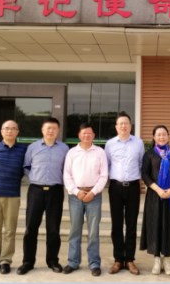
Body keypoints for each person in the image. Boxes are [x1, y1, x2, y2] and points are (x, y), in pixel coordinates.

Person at [17, 117, 69, 275]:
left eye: (54, 128)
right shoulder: (32, 147)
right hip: (36, 191)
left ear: (58, 130)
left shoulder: (64, 148)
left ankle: (53, 261)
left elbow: (67, 169)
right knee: (31, 227)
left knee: (53, 228)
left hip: (55, 191)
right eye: (48, 128)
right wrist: (35, 178)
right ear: (42, 130)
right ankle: (28, 261)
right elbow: (26, 166)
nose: (51, 131)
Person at [62, 122, 108, 277]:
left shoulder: (100, 152)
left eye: (89, 133)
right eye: (84, 133)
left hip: (94, 195)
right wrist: (76, 191)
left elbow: (104, 176)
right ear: (79, 135)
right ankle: (73, 262)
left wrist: (93, 192)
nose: (87, 136)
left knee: (93, 231)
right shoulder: (72, 153)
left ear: (93, 135)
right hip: (75, 196)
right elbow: (67, 175)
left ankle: (94, 263)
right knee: (75, 230)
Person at [0, 120, 27, 275]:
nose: (9, 131)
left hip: (12, 196)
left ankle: (5, 261)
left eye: (13, 129)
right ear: (1, 131)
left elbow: (24, 170)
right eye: (6, 128)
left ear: (17, 132)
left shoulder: (23, 150)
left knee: (9, 231)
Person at [140, 124, 170, 276]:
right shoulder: (149, 154)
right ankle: (156, 259)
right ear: (154, 137)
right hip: (155, 196)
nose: (161, 137)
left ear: (168, 136)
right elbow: (145, 175)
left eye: (164, 134)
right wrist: (158, 190)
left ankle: (167, 260)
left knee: (169, 226)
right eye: (158, 134)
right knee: (155, 226)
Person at [104, 112, 144, 275]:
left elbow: (141, 163)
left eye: (126, 123)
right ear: (116, 127)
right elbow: (107, 165)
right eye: (120, 123)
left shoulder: (138, 143)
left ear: (130, 126)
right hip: (115, 187)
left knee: (131, 224)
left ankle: (130, 260)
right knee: (116, 224)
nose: (123, 126)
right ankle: (118, 259)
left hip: (133, 187)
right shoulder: (110, 144)